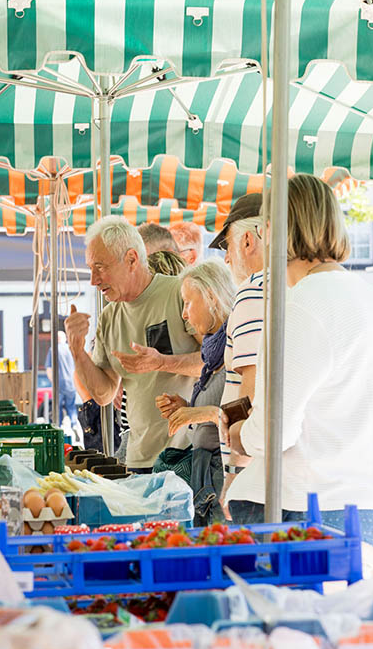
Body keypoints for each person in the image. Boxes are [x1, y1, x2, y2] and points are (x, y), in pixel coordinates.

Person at [227, 174, 373, 565]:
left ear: (270, 230)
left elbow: (272, 432)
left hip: (321, 513)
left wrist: (239, 435)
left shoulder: (300, 306)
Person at [64, 216, 200, 471]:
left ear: (131, 259)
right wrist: (76, 349)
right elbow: (103, 394)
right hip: (137, 458)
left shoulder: (179, 293)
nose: (93, 280)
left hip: (185, 455)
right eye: (90, 268)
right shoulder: (109, 316)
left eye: (100, 267)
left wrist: (163, 362)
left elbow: (214, 361)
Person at [154, 260, 236, 523]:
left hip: (225, 485)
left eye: (188, 302)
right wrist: (186, 407)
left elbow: (248, 413)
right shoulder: (213, 353)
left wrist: (199, 413)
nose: (184, 314)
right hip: (207, 482)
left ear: (211, 297)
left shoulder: (239, 347)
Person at [207, 192, 266, 509]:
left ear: (247, 241)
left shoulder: (253, 291)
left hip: (254, 478)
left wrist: (234, 471)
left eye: (227, 246)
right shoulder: (287, 287)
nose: (226, 258)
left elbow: (250, 390)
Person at [45, 330, 79, 429]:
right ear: (65, 339)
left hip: (58, 384)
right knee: (71, 407)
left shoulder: (53, 349)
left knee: (57, 408)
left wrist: (53, 382)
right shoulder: (71, 349)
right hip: (72, 384)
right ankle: (74, 426)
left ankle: (58, 429)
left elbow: (48, 369)